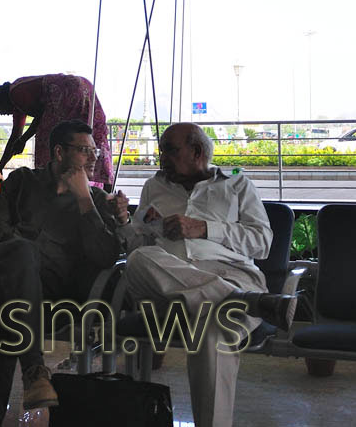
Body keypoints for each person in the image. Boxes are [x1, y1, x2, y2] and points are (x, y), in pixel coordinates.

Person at [115, 122, 297, 427]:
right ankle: (239, 301)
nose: (161, 159)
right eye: (160, 151)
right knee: (139, 258)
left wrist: (205, 228)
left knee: (212, 335)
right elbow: (139, 243)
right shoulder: (153, 187)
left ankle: (230, 297)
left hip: (233, 274)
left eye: (169, 151)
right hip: (169, 289)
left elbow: (262, 242)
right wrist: (122, 220)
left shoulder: (237, 185)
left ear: (197, 151)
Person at [0, 119, 123, 426]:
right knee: (20, 259)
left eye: (95, 151)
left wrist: (84, 201)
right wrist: (26, 252)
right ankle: (34, 370)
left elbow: (105, 255)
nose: (93, 158)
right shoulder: (23, 180)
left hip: (33, 291)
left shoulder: (95, 202)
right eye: (84, 151)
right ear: (59, 152)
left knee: (8, 301)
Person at [0, 75, 113, 188]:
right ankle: (103, 188)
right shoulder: (17, 103)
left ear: (2, 100)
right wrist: (0, 166)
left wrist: (23, 140)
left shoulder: (16, 93)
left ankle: (53, 190)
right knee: (90, 136)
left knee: (49, 144)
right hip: (85, 86)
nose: (2, 114)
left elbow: (40, 117)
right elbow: (15, 138)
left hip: (68, 92)